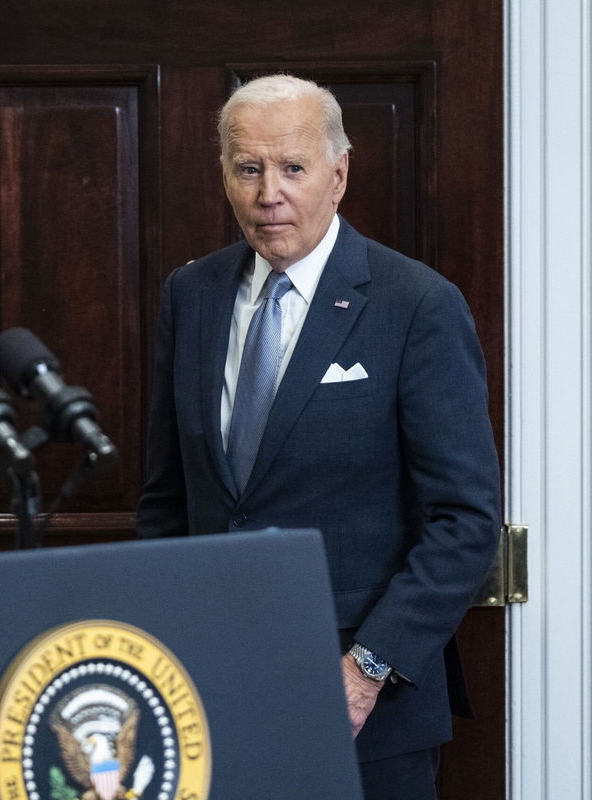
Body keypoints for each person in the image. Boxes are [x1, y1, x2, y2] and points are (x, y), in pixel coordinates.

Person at [136, 74, 501, 799]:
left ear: (338, 175)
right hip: (211, 688)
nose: (269, 191)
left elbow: (465, 520)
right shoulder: (192, 294)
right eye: (248, 168)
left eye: (293, 168)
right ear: (226, 177)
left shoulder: (417, 305)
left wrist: (365, 671)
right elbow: (168, 497)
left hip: (367, 705)